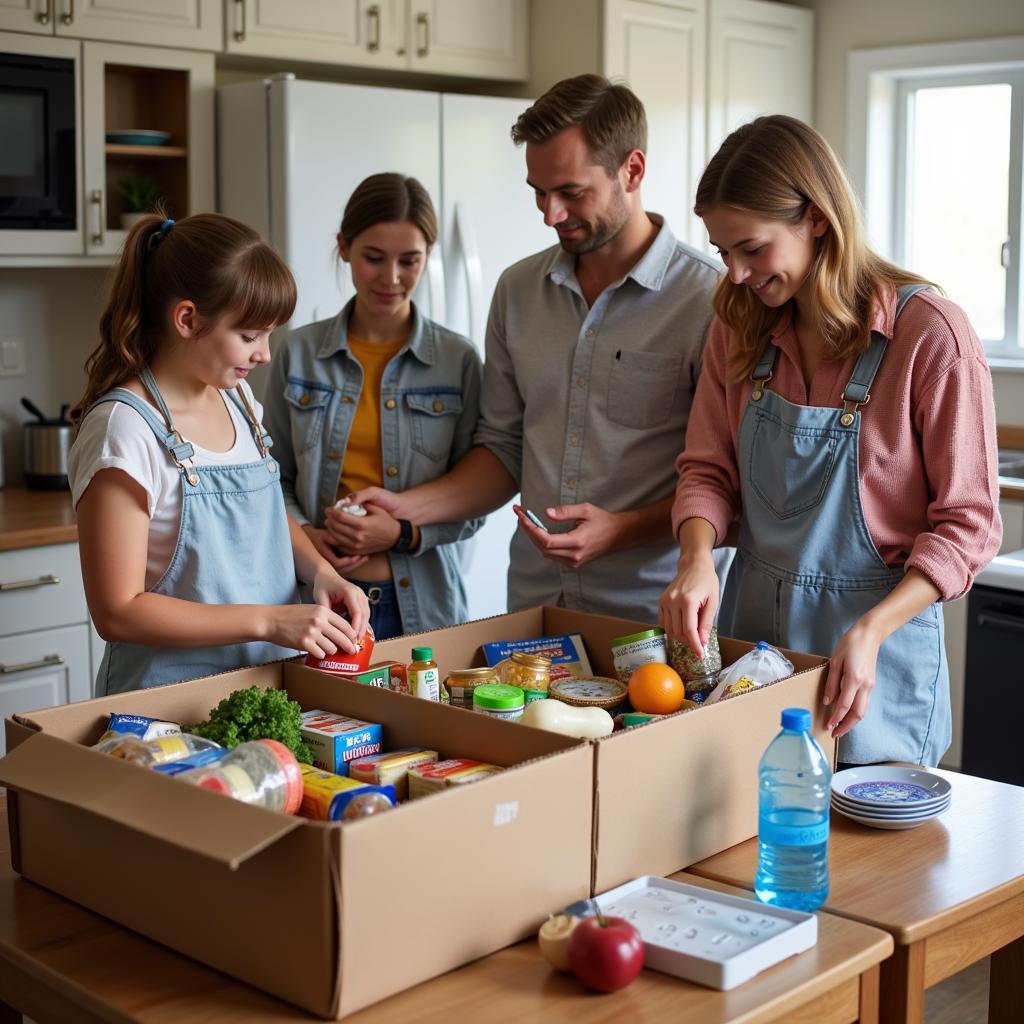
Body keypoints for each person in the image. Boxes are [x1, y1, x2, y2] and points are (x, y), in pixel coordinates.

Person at [659, 115, 1002, 767]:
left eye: (752, 249)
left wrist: (871, 630)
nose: (734, 274)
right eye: (722, 251)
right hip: (753, 650)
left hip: (877, 661)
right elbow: (707, 471)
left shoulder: (930, 338)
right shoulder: (738, 325)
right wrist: (696, 558)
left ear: (816, 218)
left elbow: (969, 526)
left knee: (874, 863)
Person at [347, 75, 723, 622]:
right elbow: (503, 448)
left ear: (632, 170)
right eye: (538, 193)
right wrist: (407, 507)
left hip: (658, 609)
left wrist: (621, 530)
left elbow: (724, 479)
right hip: (535, 604)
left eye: (571, 192)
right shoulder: (518, 291)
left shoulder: (709, 298)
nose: (551, 215)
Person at [69, 211, 369, 696]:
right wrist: (271, 622)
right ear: (187, 319)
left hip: (263, 687)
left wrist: (322, 574)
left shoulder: (238, 401)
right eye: (249, 336)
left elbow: (263, 518)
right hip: (166, 711)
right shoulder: (123, 429)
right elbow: (118, 611)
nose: (265, 354)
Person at [261, 173, 483, 638]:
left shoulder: (457, 361)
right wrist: (308, 537)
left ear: (429, 257)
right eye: (373, 258)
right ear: (344, 247)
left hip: (425, 610)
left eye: (410, 260)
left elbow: (474, 499)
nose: (392, 278)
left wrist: (402, 533)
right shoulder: (297, 354)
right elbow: (268, 479)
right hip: (316, 607)